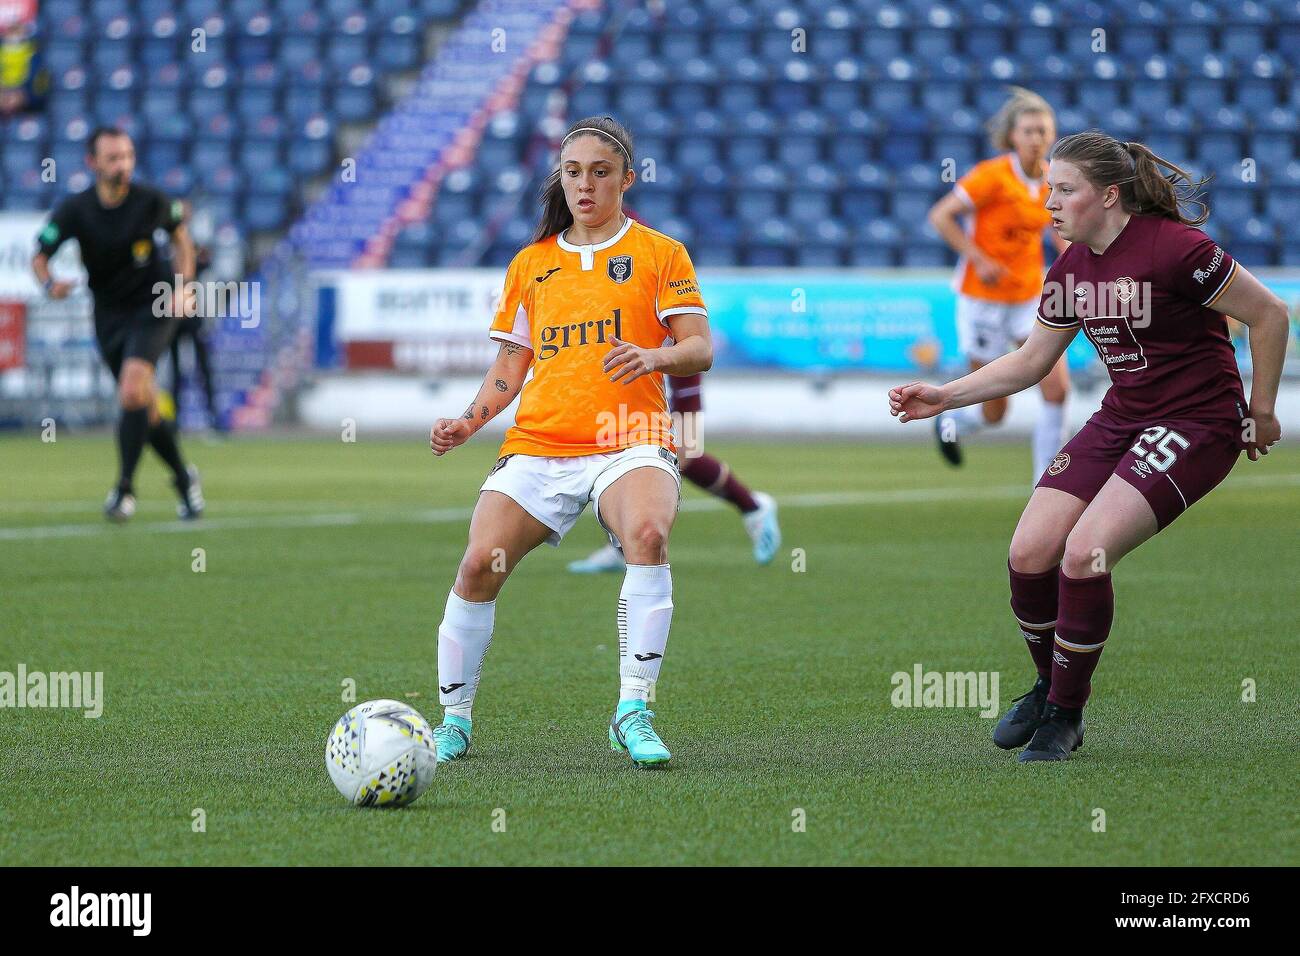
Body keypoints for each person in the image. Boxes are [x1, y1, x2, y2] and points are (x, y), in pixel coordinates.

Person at [889, 131, 1287, 762]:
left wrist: (1260, 410)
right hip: (1123, 416)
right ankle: (1051, 687)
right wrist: (945, 395)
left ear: (1108, 195)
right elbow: (1029, 361)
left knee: (1085, 553)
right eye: (1049, 188)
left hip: (1197, 423)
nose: (1049, 202)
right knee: (1030, 551)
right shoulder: (1071, 268)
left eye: (1064, 190)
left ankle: (1065, 717)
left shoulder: (1178, 250)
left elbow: (1269, 314)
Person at [428, 116, 711, 766]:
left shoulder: (660, 254)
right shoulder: (531, 265)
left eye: (600, 171)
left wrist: (652, 356)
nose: (585, 184)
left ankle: (633, 710)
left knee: (647, 536)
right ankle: (455, 720)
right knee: (477, 566)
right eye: (574, 171)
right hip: (542, 444)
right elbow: (509, 367)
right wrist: (467, 421)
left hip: (629, 437)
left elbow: (699, 348)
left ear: (626, 179)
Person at [32, 127, 204, 522]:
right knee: (143, 404)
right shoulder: (75, 210)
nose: (122, 165)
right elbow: (40, 255)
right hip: (108, 314)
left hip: (153, 305)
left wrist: (183, 286)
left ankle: (124, 489)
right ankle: (183, 477)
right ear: (93, 163)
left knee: (131, 390)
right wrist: (48, 283)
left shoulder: (151, 201)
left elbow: (181, 238)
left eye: (127, 156)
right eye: (113, 158)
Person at [927, 87, 1071, 480]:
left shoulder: (1052, 181)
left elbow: (1061, 235)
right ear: (1012, 136)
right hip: (983, 301)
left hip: (1029, 296)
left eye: (1044, 130)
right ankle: (951, 422)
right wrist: (978, 257)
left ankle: (1048, 483)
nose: (1037, 137)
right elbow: (941, 215)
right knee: (995, 411)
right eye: (1029, 130)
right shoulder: (991, 176)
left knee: (1056, 389)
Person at [567, 371, 781, 573]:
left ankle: (753, 507)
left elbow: (691, 344)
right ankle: (620, 548)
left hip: (673, 358)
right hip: (627, 365)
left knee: (682, 453)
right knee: (618, 449)